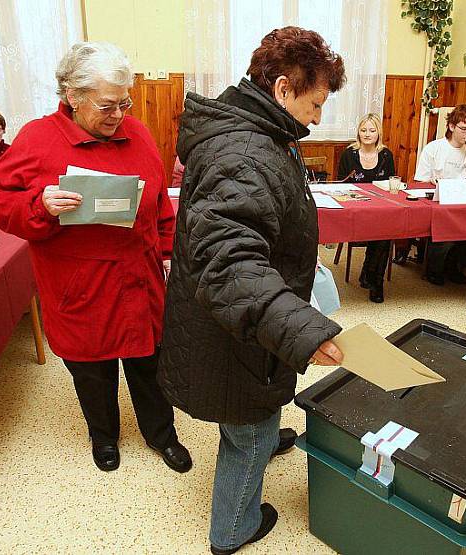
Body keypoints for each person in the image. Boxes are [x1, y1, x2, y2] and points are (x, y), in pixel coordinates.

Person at [158, 27, 346, 555]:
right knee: (249, 427)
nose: (318, 118)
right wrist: (303, 330)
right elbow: (232, 264)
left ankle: (262, 431)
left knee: (254, 406)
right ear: (283, 89)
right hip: (234, 327)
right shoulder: (245, 152)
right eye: (315, 103)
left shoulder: (254, 130)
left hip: (240, 321)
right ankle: (233, 529)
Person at [0, 42, 191, 475]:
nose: (118, 115)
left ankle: (162, 434)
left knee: (150, 365)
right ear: (72, 97)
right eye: (107, 105)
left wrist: (170, 253)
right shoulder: (37, 138)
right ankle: (104, 437)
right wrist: (40, 205)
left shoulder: (136, 133)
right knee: (92, 374)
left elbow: (159, 202)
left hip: (139, 278)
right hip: (79, 285)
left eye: (124, 103)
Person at [413, 104, 466, 285]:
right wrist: (432, 182)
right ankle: (434, 270)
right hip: (441, 203)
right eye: (464, 129)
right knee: (443, 233)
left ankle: (454, 265)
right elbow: (419, 182)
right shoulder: (434, 148)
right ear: (451, 127)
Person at [336, 113, 395, 303]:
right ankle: (369, 276)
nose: (367, 134)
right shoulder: (349, 154)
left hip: (379, 212)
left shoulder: (386, 155)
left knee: (385, 232)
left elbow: (390, 184)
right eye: (363, 130)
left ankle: (374, 281)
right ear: (358, 133)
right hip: (354, 212)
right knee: (380, 232)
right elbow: (340, 185)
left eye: (372, 130)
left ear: (379, 133)